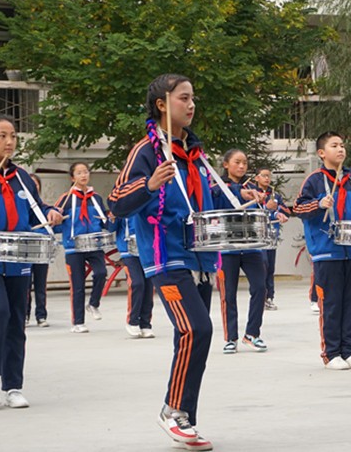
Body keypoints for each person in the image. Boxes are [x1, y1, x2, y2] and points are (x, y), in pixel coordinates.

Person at [108, 73, 217, 451]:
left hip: (200, 258)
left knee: (195, 335)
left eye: (193, 98)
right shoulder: (146, 152)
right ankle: (173, 411)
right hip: (165, 258)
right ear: (161, 104)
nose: (191, 104)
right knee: (196, 330)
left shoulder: (195, 154)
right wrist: (150, 184)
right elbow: (117, 201)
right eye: (183, 97)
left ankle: (185, 417)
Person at [0, 115, 63, 408]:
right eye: (2, 135)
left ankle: (13, 386)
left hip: (19, 260)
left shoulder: (22, 178)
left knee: (17, 320)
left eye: (13, 136)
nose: (9, 141)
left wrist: (51, 212)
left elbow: (36, 210)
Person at [294, 131, 351, 371]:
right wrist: (319, 204)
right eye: (334, 145)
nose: (340, 149)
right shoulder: (314, 180)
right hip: (327, 251)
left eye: (342, 145)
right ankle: (331, 353)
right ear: (321, 153)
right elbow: (298, 208)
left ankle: (350, 350)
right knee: (331, 304)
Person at [214, 149, 268, 354]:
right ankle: (231, 337)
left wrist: (266, 204)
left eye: (244, 162)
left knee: (260, 288)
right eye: (237, 162)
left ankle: (252, 333)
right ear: (226, 164)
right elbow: (216, 199)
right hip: (227, 248)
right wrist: (239, 192)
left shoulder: (252, 187)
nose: (242, 166)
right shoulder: (216, 187)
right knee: (229, 293)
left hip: (251, 246)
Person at [54, 162, 110, 333]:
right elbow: (56, 224)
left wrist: (111, 218)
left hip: (94, 244)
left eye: (85, 172)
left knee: (101, 273)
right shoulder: (65, 199)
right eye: (79, 173)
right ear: (73, 178)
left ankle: (93, 304)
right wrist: (56, 220)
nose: (83, 175)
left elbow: (103, 221)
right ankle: (78, 322)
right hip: (74, 247)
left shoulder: (96, 198)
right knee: (77, 285)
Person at [250, 166, 290, 311]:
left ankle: (270, 297)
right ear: (257, 178)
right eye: (264, 175)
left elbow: (286, 210)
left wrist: (279, 211)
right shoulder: (252, 194)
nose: (267, 178)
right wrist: (267, 208)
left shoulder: (275, 195)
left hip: (272, 235)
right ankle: (261, 297)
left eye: (269, 176)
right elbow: (252, 213)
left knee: (271, 267)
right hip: (258, 236)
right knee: (263, 265)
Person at [111, 212, 154, 339]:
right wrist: (112, 219)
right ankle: (133, 321)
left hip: (147, 247)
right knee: (137, 283)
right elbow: (111, 228)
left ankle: (145, 323)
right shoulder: (122, 204)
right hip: (128, 250)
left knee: (149, 286)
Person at [25, 173, 51, 327]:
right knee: (25, 285)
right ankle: (25, 315)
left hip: (40, 250)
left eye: (36, 184)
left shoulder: (43, 208)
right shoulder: (21, 206)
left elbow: (51, 229)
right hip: (25, 251)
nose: (33, 186)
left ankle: (41, 315)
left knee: (41, 285)